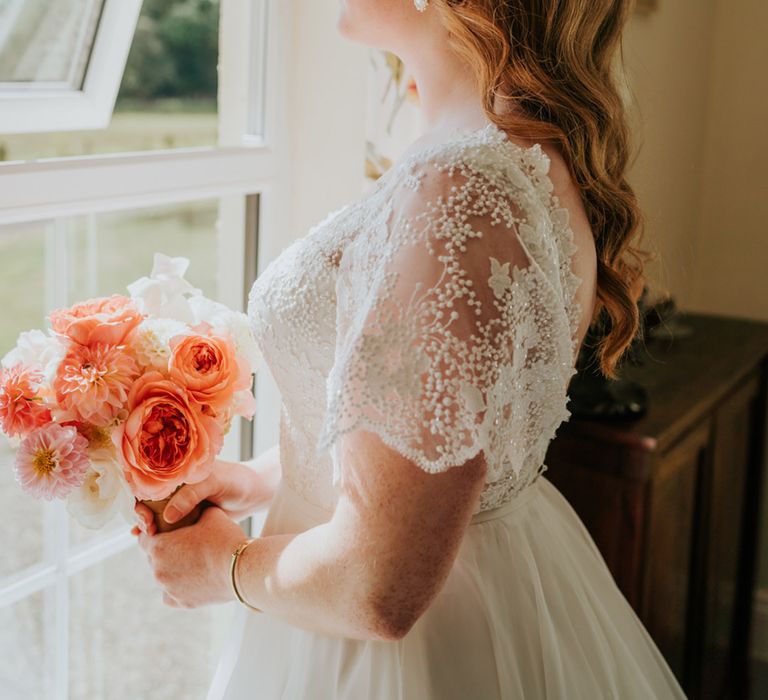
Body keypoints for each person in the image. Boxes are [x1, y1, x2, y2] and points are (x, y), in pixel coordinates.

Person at [133, 1, 688, 697]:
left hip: (404, 657)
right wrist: (265, 479)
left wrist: (224, 568)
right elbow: (438, 439)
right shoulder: (507, 153)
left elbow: (378, 588)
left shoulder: (459, 190)